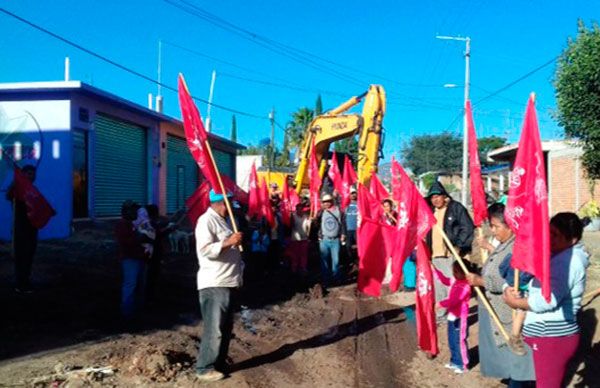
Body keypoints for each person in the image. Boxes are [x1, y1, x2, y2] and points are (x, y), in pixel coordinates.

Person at [503, 213, 589, 388]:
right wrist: (511, 290)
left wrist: (516, 303)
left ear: (572, 239)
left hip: (551, 336)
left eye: (555, 235)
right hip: (546, 334)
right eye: (548, 232)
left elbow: (548, 300)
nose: (550, 238)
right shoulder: (558, 256)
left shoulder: (568, 261)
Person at [465, 203, 535, 386]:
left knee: (518, 363)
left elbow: (509, 283)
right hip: (497, 311)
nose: (493, 231)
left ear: (510, 225)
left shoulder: (515, 248)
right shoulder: (505, 244)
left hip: (509, 315)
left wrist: (480, 281)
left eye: (496, 226)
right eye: (492, 226)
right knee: (508, 359)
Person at [194, 190, 243, 383]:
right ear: (221, 202)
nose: (232, 205)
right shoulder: (206, 221)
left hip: (229, 281)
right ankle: (205, 368)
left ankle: (219, 364)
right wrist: (228, 242)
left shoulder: (225, 220)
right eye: (230, 201)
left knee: (225, 326)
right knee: (214, 328)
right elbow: (205, 250)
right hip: (214, 282)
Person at [426, 181, 474, 319]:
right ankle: (441, 314)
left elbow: (467, 227)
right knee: (439, 285)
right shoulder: (431, 212)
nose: (435, 200)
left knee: (452, 285)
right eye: (432, 197)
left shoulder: (455, 208)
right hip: (435, 255)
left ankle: (454, 314)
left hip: (450, 255)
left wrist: (459, 246)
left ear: (444, 196)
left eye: (437, 196)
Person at [434, 260, 472, 374]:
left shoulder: (465, 286)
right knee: (451, 339)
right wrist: (435, 271)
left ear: (464, 272)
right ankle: (455, 361)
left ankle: (463, 364)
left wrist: (440, 304)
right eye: (453, 271)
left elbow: (454, 301)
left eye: (456, 271)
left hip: (460, 318)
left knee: (459, 340)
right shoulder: (456, 281)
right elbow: (445, 280)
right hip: (452, 316)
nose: (454, 274)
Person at [6, 165, 40, 293]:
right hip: (20, 229)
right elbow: (8, 195)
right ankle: (20, 284)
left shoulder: (33, 189)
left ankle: (26, 280)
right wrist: (16, 181)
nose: (31, 176)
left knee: (30, 255)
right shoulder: (17, 190)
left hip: (32, 229)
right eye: (28, 173)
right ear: (23, 175)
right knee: (21, 256)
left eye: (33, 174)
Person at [115, 200, 149, 320]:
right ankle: (127, 312)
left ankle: (136, 309)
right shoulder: (123, 224)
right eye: (134, 210)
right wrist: (140, 238)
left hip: (138, 257)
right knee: (130, 284)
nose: (136, 212)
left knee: (138, 284)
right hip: (130, 258)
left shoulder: (130, 224)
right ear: (127, 211)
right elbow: (125, 242)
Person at [314, 193, 346, 287]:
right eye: (324, 202)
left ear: (331, 201)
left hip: (335, 239)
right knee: (324, 261)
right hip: (324, 240)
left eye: (328, 201)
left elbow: (343, 223)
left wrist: (343, 234)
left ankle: (336, 279)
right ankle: (326, 280)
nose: (326, 203)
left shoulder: (338, 211)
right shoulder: (320, 212)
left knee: (336, 261)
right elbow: (316, 225)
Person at [288, 204, 311, 275]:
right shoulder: (293, 216)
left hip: (304, 239)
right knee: (295, 255)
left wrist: (311, 221)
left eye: (301, 209)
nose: (299, 210)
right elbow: (291, 225)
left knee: (303, 254)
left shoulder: (306, 217)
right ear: (296, 209)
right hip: (295, 239)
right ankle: (294, 268)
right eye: (298, 209)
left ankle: (303, 267)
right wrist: (291, 217)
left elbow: (308, 227)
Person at [345, 187, 359, 272]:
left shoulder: (360, 203)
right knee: (348, 247)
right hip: (348, 229)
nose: (353, 195)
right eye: (351, 193)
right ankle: (353, 263)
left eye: (354, 193)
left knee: (359, 248)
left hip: (357, 229)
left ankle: (359, 263)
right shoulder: (346, 205)